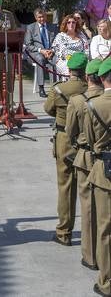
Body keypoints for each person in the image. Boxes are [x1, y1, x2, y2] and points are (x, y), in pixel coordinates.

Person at [44, 51, 88, 246]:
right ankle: (91, 232)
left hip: (64, 137)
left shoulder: (59, 89)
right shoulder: (88, 89)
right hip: (86, 139)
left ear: (69, 70)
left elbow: (48, 109)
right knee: (87, 187)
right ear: (84, 70)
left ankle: (64, 232)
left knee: (65, 186)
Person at [66, 57, 104, 271]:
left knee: (88, 207)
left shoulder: (78, 101)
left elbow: (70, 132)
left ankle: (90, 256)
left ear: (88, 77)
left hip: (86, 157)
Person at [83, 54, 111, 297]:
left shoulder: (94, 105)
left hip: (104, 170)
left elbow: (91, 141)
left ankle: (106, 280)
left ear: (102, 78)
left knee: (104, 228)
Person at [24, 8, 58, 98]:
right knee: (40, 59)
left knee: (55, 60)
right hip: (37, 53)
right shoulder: (30, 28)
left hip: (50, 52)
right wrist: (41, 50)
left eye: (43, 16)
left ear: (46, 16)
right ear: (35, 18)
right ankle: (41, 87)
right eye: (39, 17)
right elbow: (28, 45)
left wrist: (52, 50)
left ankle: (54, 88)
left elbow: (57, 42)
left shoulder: (52, 27)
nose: (42, 19)